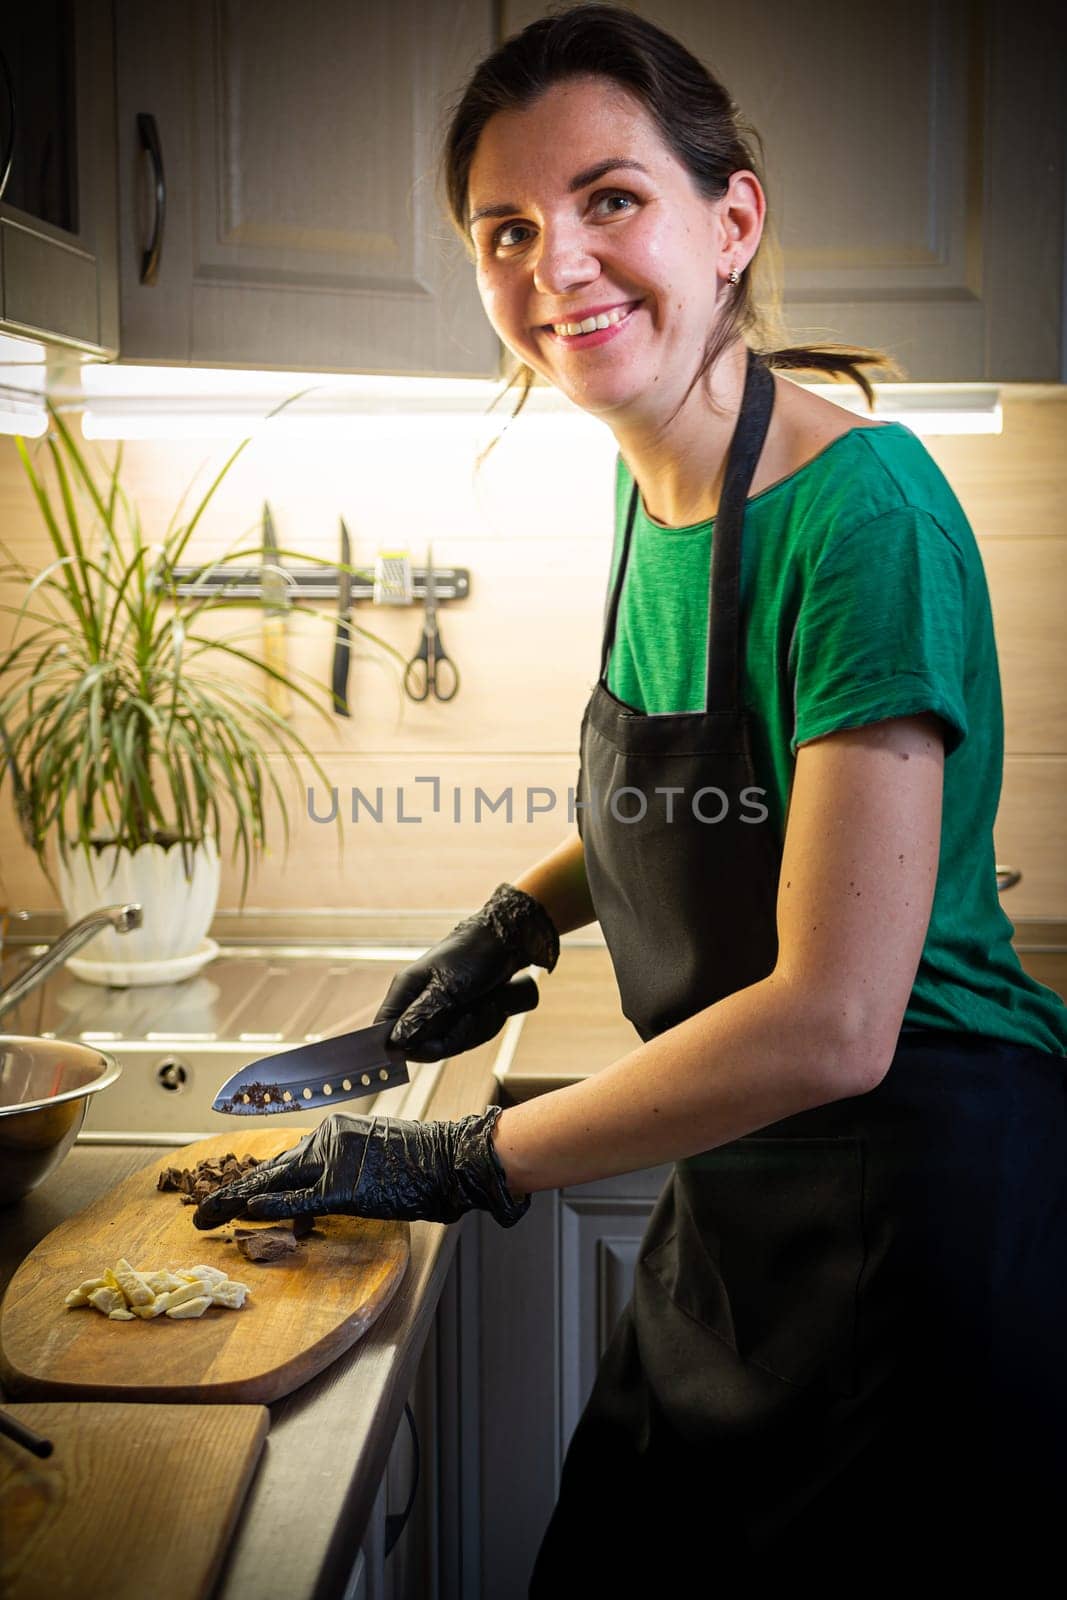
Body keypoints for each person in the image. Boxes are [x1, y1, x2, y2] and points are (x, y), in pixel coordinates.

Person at [196, 5, 1067, 1586]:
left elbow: (833, 1019)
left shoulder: (862, 515)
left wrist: (461, 1161)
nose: (557, 268)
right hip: (737, 1200)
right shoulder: (652, 474)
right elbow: (721, 798)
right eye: (507, 228)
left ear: (730, 222)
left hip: (911, 1216)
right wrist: (523, 910)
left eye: (611, 201)